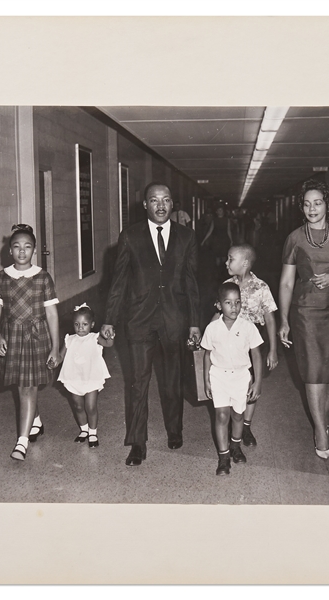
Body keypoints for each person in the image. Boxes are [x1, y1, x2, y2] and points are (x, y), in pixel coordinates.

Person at [102, 182, 201, 466]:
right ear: (144, 205)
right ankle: (137, 442)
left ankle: (174, 430)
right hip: (139, 320)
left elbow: (192, 283)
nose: (160, 205)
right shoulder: (130, 236)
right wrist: (109, 319)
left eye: (166, 200)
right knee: (138, 382)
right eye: (154, 200)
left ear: (173, 205)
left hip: (174, 319)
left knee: (173, 379)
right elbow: (118, 281)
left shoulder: (187, 236)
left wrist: (195, 322)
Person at [278, 180, 329, 460]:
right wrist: (284, 321)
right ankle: (321, 430)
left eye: (317, 202)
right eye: (306, 203)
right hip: (305, 312)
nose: (312, 208)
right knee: (313, 371)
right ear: (301, 207)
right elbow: (287, 283)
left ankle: (319, 416)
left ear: (327, 205)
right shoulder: (294, 238)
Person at [0, 224, 61, 461]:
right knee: (22, 385)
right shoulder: (2, 278)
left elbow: (51, 314)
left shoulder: (43, 277)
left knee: (27, 387)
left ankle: (22, 442)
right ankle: (35, 420)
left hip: (36, 336)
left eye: (27, 247)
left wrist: (55, 346)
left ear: (34, 250)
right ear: (9, 251)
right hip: (12, 336)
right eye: (17, 247)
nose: (22, 251)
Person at [201, 282, 264, 475]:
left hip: (241, 376)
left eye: (237, 302)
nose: (234, 307)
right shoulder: (212, 328)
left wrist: (257, 382)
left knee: (238, 415)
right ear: (219, 305)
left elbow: (256, 354)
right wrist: (206, 380)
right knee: (221, 415)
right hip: (218, 375)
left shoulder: (248, 327)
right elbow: (206, 355)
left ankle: (236, 446)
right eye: (228, 303)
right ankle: (223, 457)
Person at [219, 243, 278, 446]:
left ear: (244, 263)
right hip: (229, 343)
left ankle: (246, 426)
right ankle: (232, 422)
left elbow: (270, 319)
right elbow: (219, 313)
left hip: (253, 343)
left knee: (251, 384)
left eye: (230, 259)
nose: (226, 262)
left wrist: (273, 350)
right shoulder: (227, 284)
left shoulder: (261, 287)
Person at [58, 303, 114, 448]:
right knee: (77, 405)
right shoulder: (69, 339)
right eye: (77, 324)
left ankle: (93, 432)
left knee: (90, 406)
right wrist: (53, 361)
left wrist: (110, 336)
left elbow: (108, 344)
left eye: (84, 324)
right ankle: (83, 430)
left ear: (92, 324)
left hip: (91, 377)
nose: (80, 327)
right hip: (74, 377)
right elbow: (60, 356)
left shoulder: (95, 338)